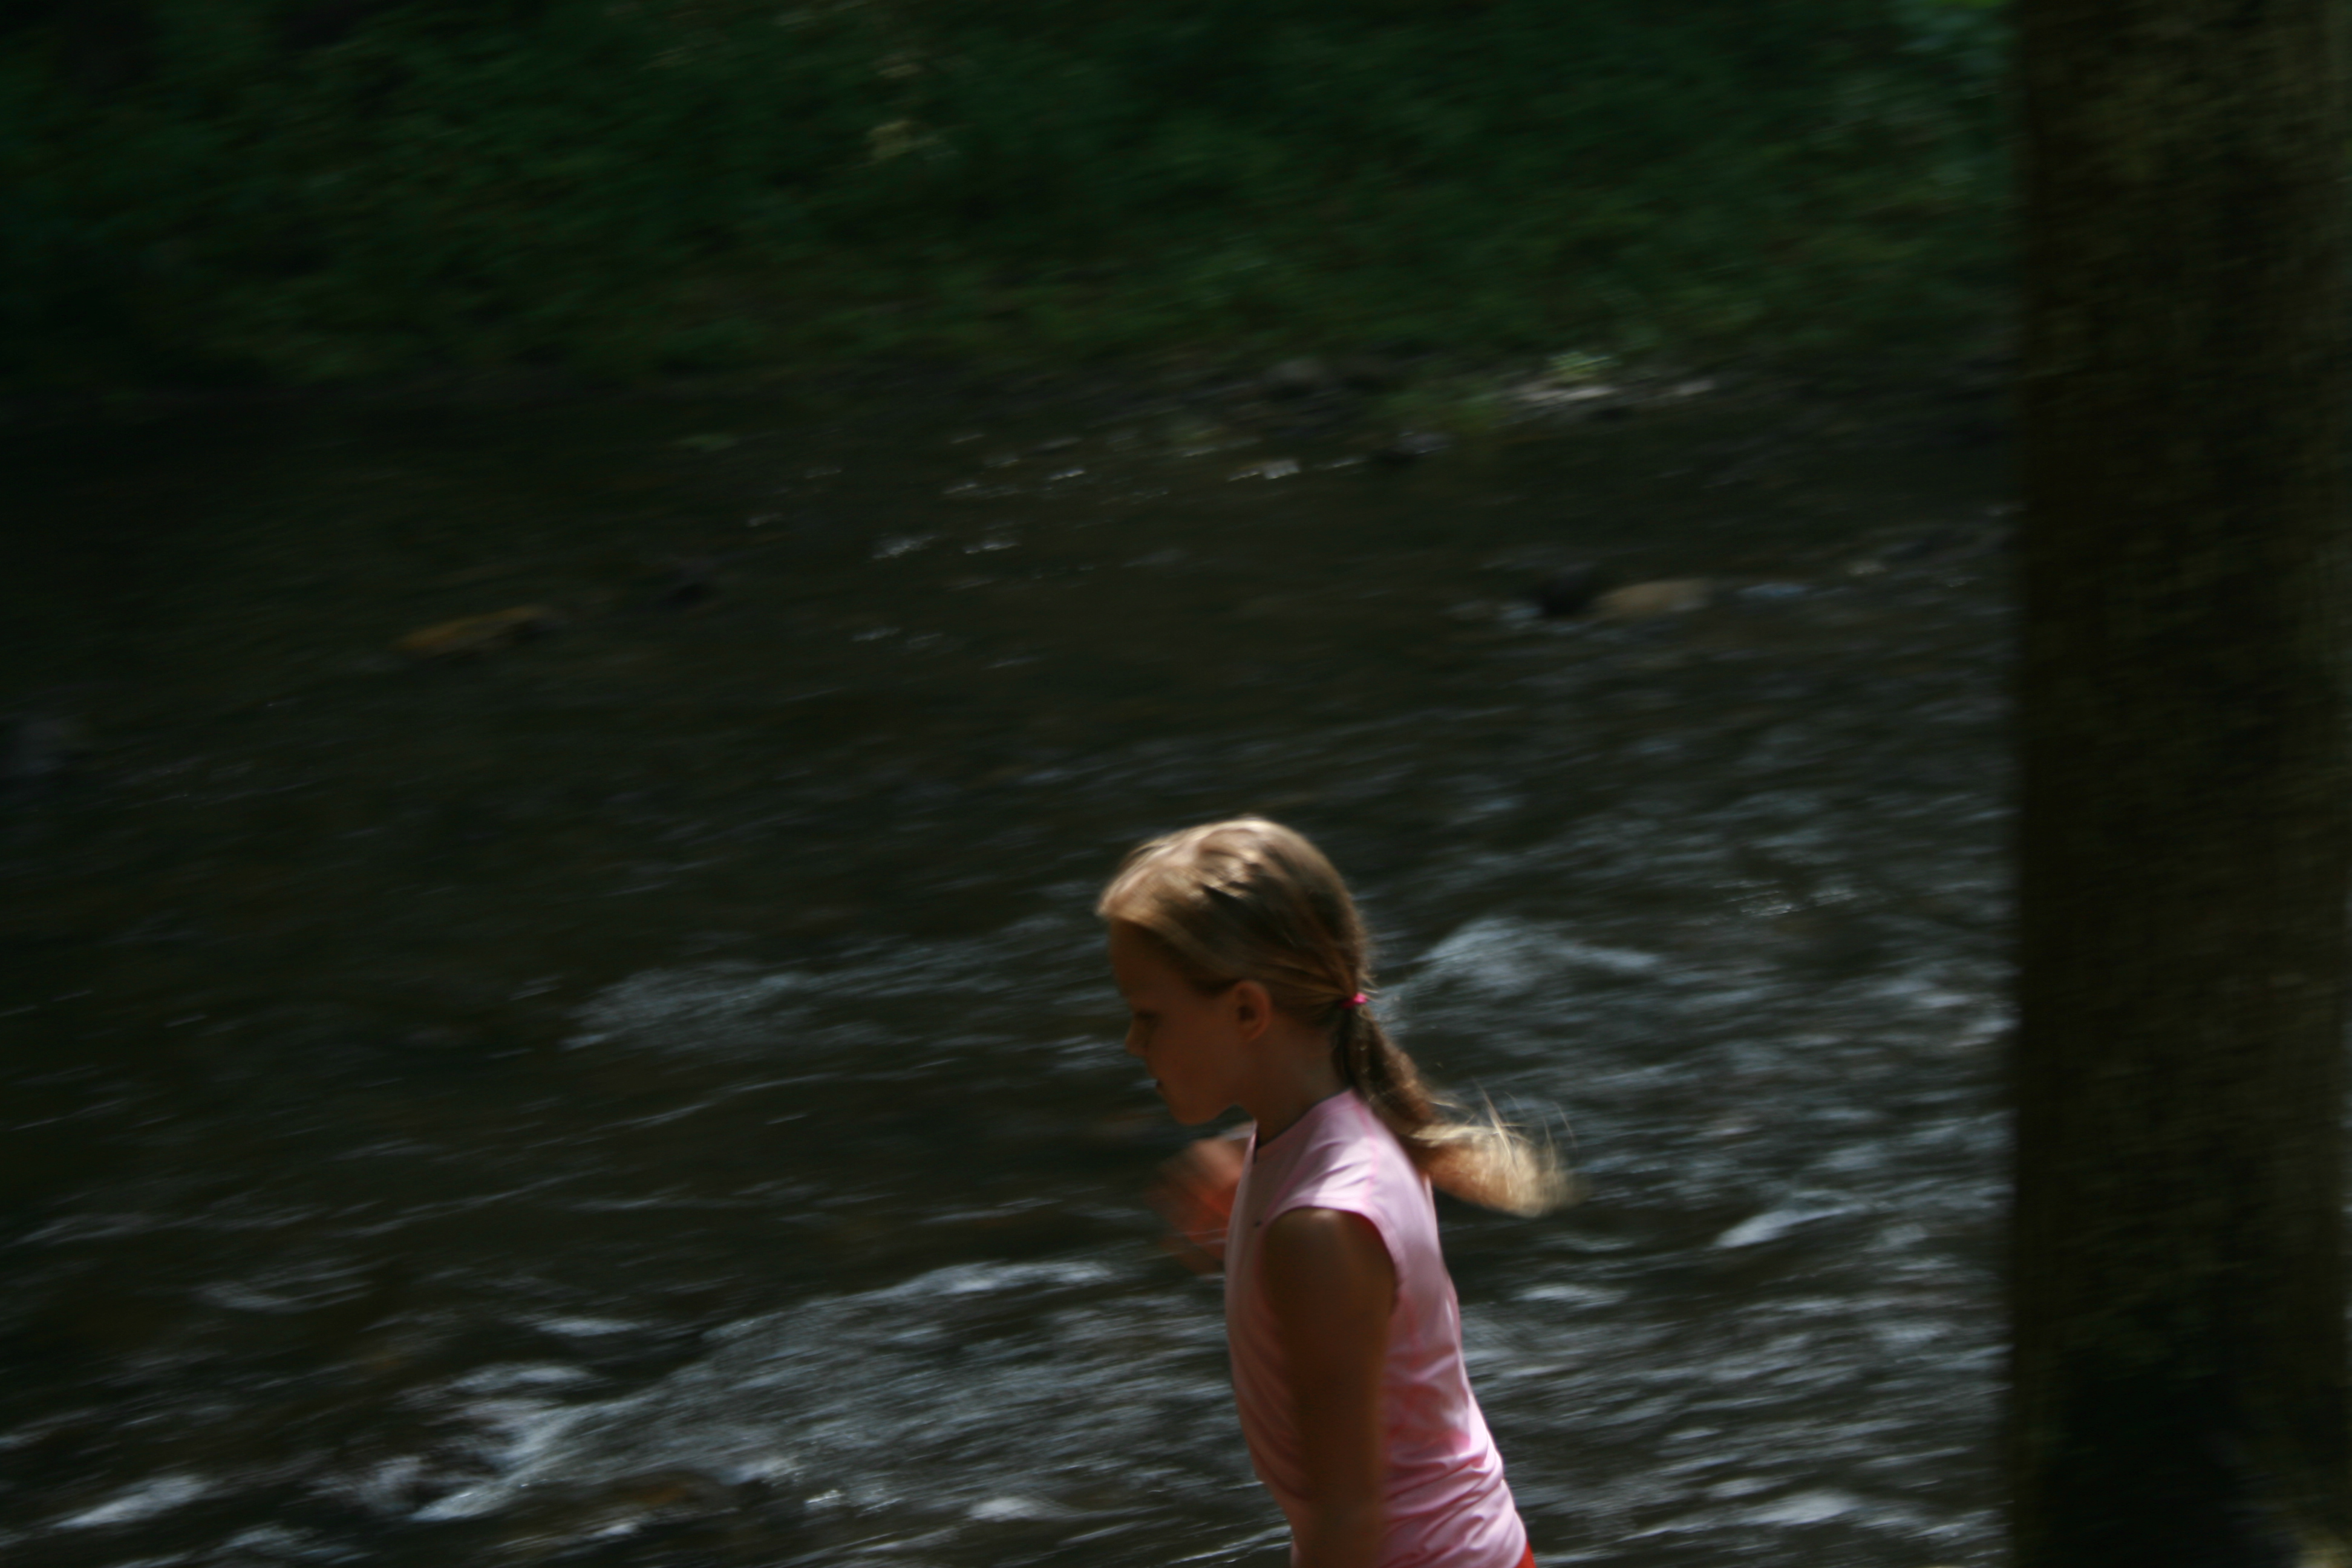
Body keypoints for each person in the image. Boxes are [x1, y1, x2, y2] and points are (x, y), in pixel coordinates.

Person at [1100, 817, 1570, 1568]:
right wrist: (1246, 1164)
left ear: (1247, 1011)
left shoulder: (1318, 1228)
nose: (1132, 1042)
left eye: (1148, 1016)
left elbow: (1348, 1520)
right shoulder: (1339, 1123)